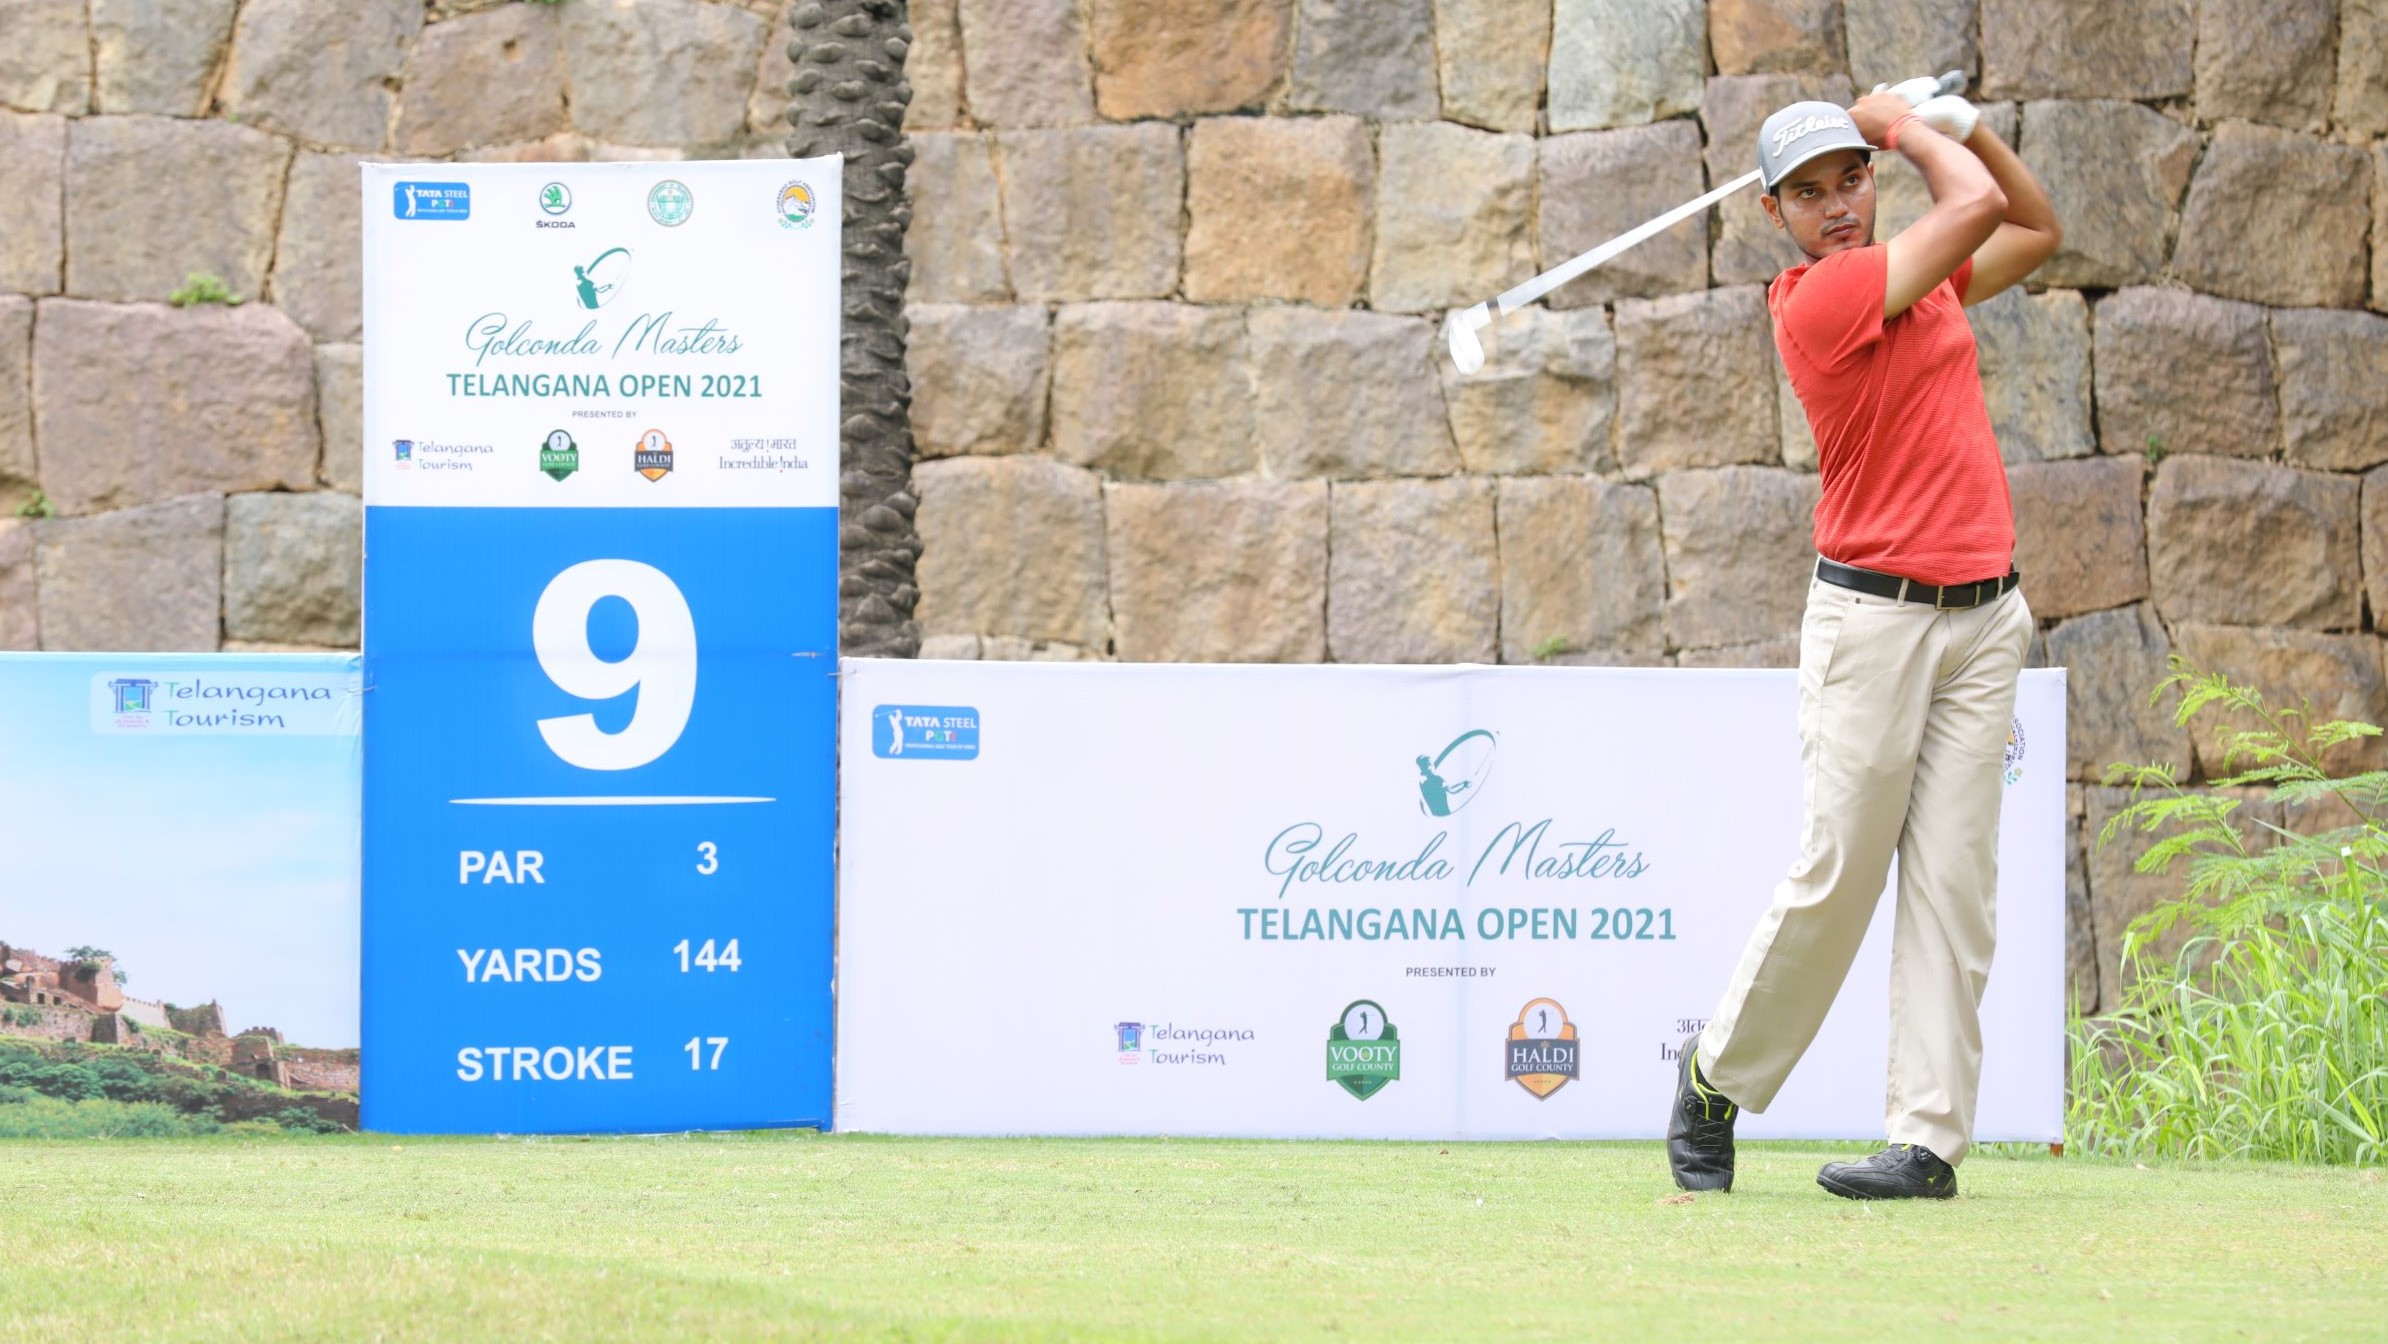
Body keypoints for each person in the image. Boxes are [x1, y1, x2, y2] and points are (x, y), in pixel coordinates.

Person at [1667, 84, 2061, 1201]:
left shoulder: (1922, 284)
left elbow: (2034, 227)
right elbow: (1974, 206)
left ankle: (1924, 1143)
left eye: (1851, 179)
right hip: (1875, 621)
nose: (1837, 205)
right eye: (1808, 193)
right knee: (1839, 870)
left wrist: (1974, 125)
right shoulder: (1822, 298)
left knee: (1954, 886)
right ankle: (1713, 1079)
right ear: (1774, 213)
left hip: (1984, 616)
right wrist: (1905, 125)